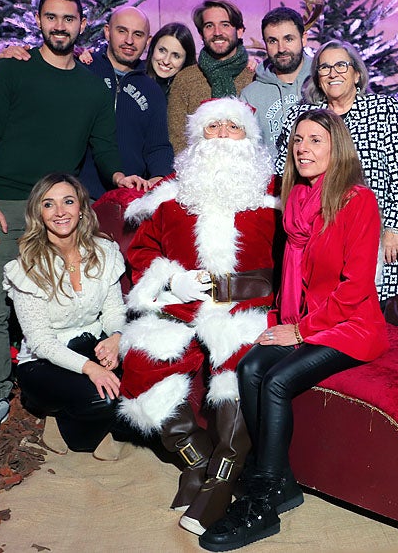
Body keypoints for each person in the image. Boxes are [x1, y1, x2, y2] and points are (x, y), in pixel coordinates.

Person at [199, 109, 388, 552]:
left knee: (278, 380)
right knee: (249, 369)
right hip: (300, 320)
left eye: (315, 140)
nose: (303, 148)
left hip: (349, 325)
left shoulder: (357, 200)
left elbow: (356, 288)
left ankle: (262, 500)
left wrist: (300, 332)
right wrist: (285, 322)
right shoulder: (297, 197)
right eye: (298, 140)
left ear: (336, 148)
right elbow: (294, 275)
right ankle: (282, 481)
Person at [0, 0, 146, 438]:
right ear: (40, 21)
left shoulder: (90, 87)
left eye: (69, 19)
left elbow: (103, 146)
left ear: (81, 24)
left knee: (72, 300)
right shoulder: (11, 72)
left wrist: (120, 175)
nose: (60, 26)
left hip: (60, 208)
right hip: (7, 205)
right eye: (52, 18)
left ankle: (63, 382)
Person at [117, 97, 279, 535]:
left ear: (250, 137)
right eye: (213, 128)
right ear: (197, 136)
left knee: (238, 366)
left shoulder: (275, 192)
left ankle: (223, 475)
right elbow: (144, 249)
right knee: (140, 360)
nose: (223, 135)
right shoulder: (173, 192)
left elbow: (300, 251)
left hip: (248, 302)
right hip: (183, 300)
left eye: (233, 127)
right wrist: (171, 279)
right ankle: (196, 458)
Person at [276, 40, 398, 306]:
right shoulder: (300, 116)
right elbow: (284, 172)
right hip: (316, 234)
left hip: (368, 230)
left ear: (357, 73)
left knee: (361, 308)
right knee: (315, 308)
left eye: (340, 65)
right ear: (316, 77)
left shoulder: (383, 110)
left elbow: (397, 173)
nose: (333, 73)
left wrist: (393, 228)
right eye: (324, 67)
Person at [0, 6, 173, 198]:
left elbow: (158, 146)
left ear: (148, 41)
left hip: (128, 197)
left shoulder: (152, 90)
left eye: (138, 34)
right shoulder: (80, 69)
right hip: (75, 195)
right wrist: (13, 58)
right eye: (121, 31)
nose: (129, 40)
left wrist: (159, 177)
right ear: (107, 32)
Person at [6, 173, 124, 453]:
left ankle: (101, 419)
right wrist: (92, 369)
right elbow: (41, 342)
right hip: (44, 363)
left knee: (138, 385)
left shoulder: (104, 251)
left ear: (81, 208)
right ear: (39, 213)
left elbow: (114, 310)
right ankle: (61, 424)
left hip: (91, 346)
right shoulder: (27, 267)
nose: (60, 212)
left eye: (68, 202)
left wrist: (118, 336)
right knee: (103, 400)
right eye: (49, 204)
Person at [168, 0, 255, 154]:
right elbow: (177, 138)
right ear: (201, 34)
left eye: (225, 25)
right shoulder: (185, 80)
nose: (217, 32)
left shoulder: (255, 76)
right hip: (198, 172)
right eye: (209, 26)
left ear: (240, 30)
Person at [240, 7, 313, 160]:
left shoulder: (323, 82)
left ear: (304, 38)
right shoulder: (250, 95)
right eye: (272, 41)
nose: (281, 49)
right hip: (273, 181)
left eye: (289, 39)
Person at [145, 21, 197, 94]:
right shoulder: (134, 76)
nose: (166, 61)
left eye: (176, 56)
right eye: (162, 50)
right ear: (153, 47)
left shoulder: (192, 91)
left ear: (186, 60)